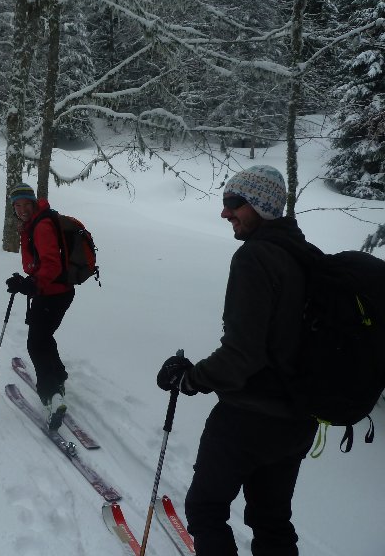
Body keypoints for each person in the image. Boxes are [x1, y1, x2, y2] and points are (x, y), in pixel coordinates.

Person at [156, 165, 321, 556]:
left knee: (207, 509)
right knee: (271, 519)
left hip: (247, 418)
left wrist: (190, 379)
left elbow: (242, 355)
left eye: (233, 204)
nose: (225, 213)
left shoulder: (256, 257)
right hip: (297, 419)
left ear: (260, 206)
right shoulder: (306, 256)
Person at [5, 182, 74, 430]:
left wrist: (32, 284)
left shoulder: (42, 225)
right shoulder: (35, 223)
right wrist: (27, 282)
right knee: (44, 336)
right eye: (18, 205)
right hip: (55, 291)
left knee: (36, 342)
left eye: (26, 204)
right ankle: (59, 376)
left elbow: (51, 264)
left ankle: (51, 395)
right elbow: (40, 265)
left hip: (52, 293)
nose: (22, 209)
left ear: (34, 203)